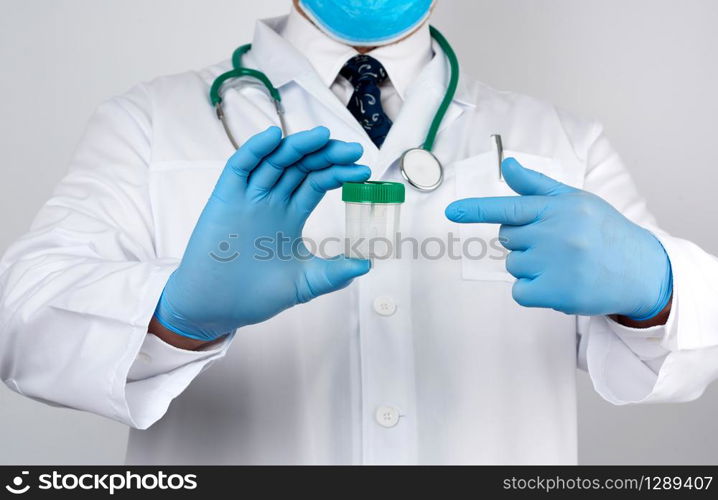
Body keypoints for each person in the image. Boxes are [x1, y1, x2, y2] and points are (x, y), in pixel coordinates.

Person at [1, 0, 717, 465]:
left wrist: (655, 288)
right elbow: (21, 321)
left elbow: (693, 351)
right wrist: (177, 313)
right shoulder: (152, 121)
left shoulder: (555, 139)